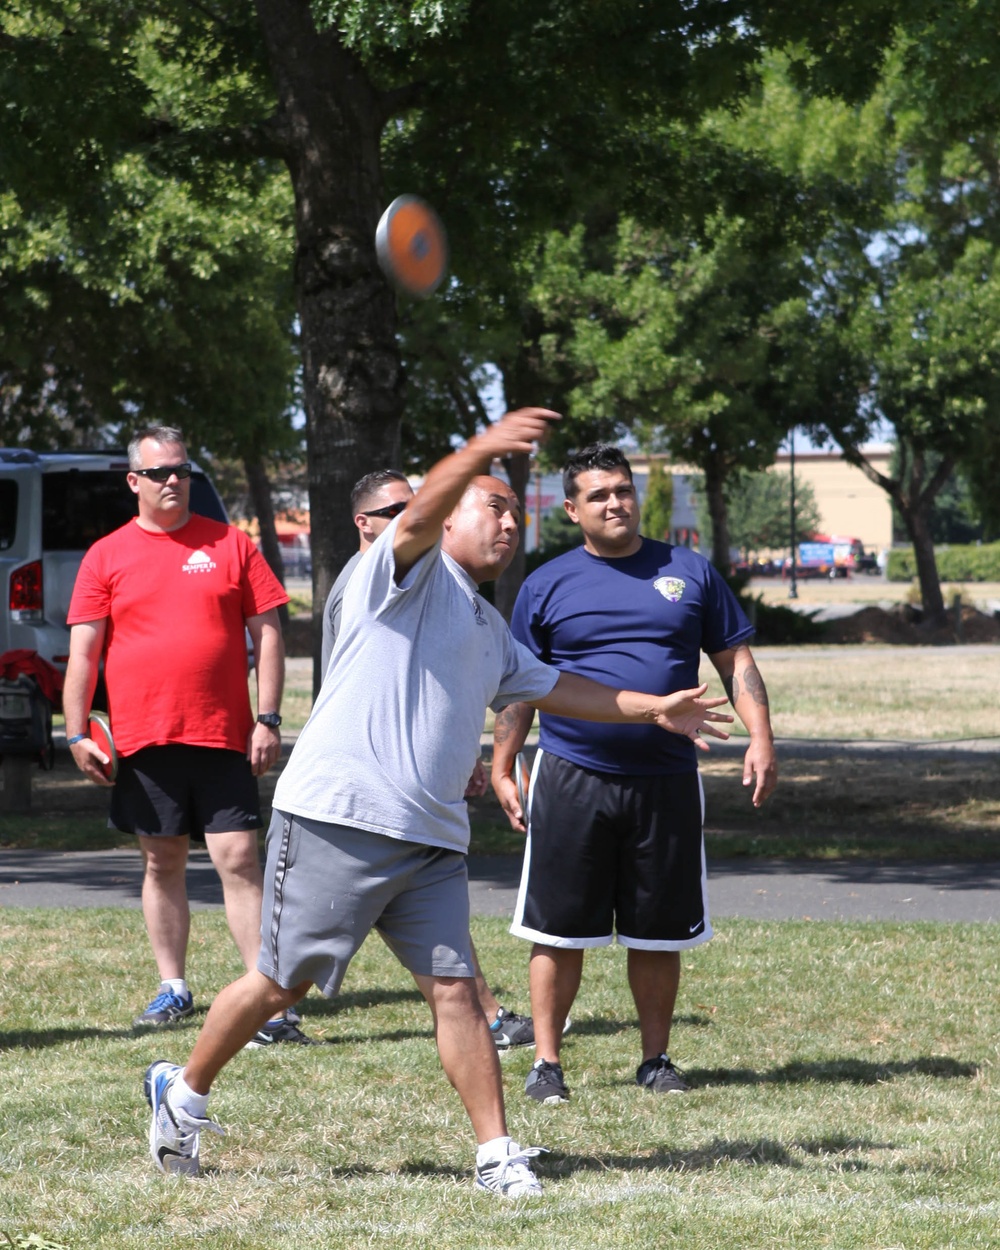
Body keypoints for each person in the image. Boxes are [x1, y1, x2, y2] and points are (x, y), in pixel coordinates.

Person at [143, 408, 733, 1195]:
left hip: (428, 836)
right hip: (339, 819)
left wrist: (652, 706)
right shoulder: (399, 574)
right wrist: (483, 449)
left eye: (515, 513)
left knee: (456, 991)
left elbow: (560, 687)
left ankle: (496, 1154)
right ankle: (180, 1095)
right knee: (281, 984)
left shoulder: (485, 624)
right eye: (494, 507)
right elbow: (416, 512)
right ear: (447, 516)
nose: (509, 525)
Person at [492, 443, 778, 1106]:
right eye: (599, 495)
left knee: (658, 929)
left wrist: (761, 738)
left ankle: (656, 1060)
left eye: (622, 490)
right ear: (571, 509)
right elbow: (519, 687)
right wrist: (502, 762)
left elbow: (736, 661)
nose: (615, 502)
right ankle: (546, 1064)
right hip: (570, 775)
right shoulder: (546, 584)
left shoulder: (689, 572)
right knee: (557, 928)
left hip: (667, 780)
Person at [63, 425, 310, 1047]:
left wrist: (269, 717)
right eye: (161, 472)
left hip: (224, 733)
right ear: (134, 482)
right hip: (145, 739)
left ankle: (263, 995)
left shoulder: (232, 543)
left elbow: (270, 634)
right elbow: (84, 652)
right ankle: (172, 986)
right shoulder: (106, 555)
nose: (174, 481)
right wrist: (74, 733)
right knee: (162, 860)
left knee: (238, 860)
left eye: (182, 471)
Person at [320, 467, 535, 1050]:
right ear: (364, 524)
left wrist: (460, 749)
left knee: (445, 968)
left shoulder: (452, 596)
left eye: (413, 509)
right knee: (281, 977)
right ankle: (200, 1071)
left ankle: (495, 1129)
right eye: (395, 514)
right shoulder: (366, 583)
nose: (411, 522)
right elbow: (359, 690)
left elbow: (433, 680)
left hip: (418, 809)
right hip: (354, 806)